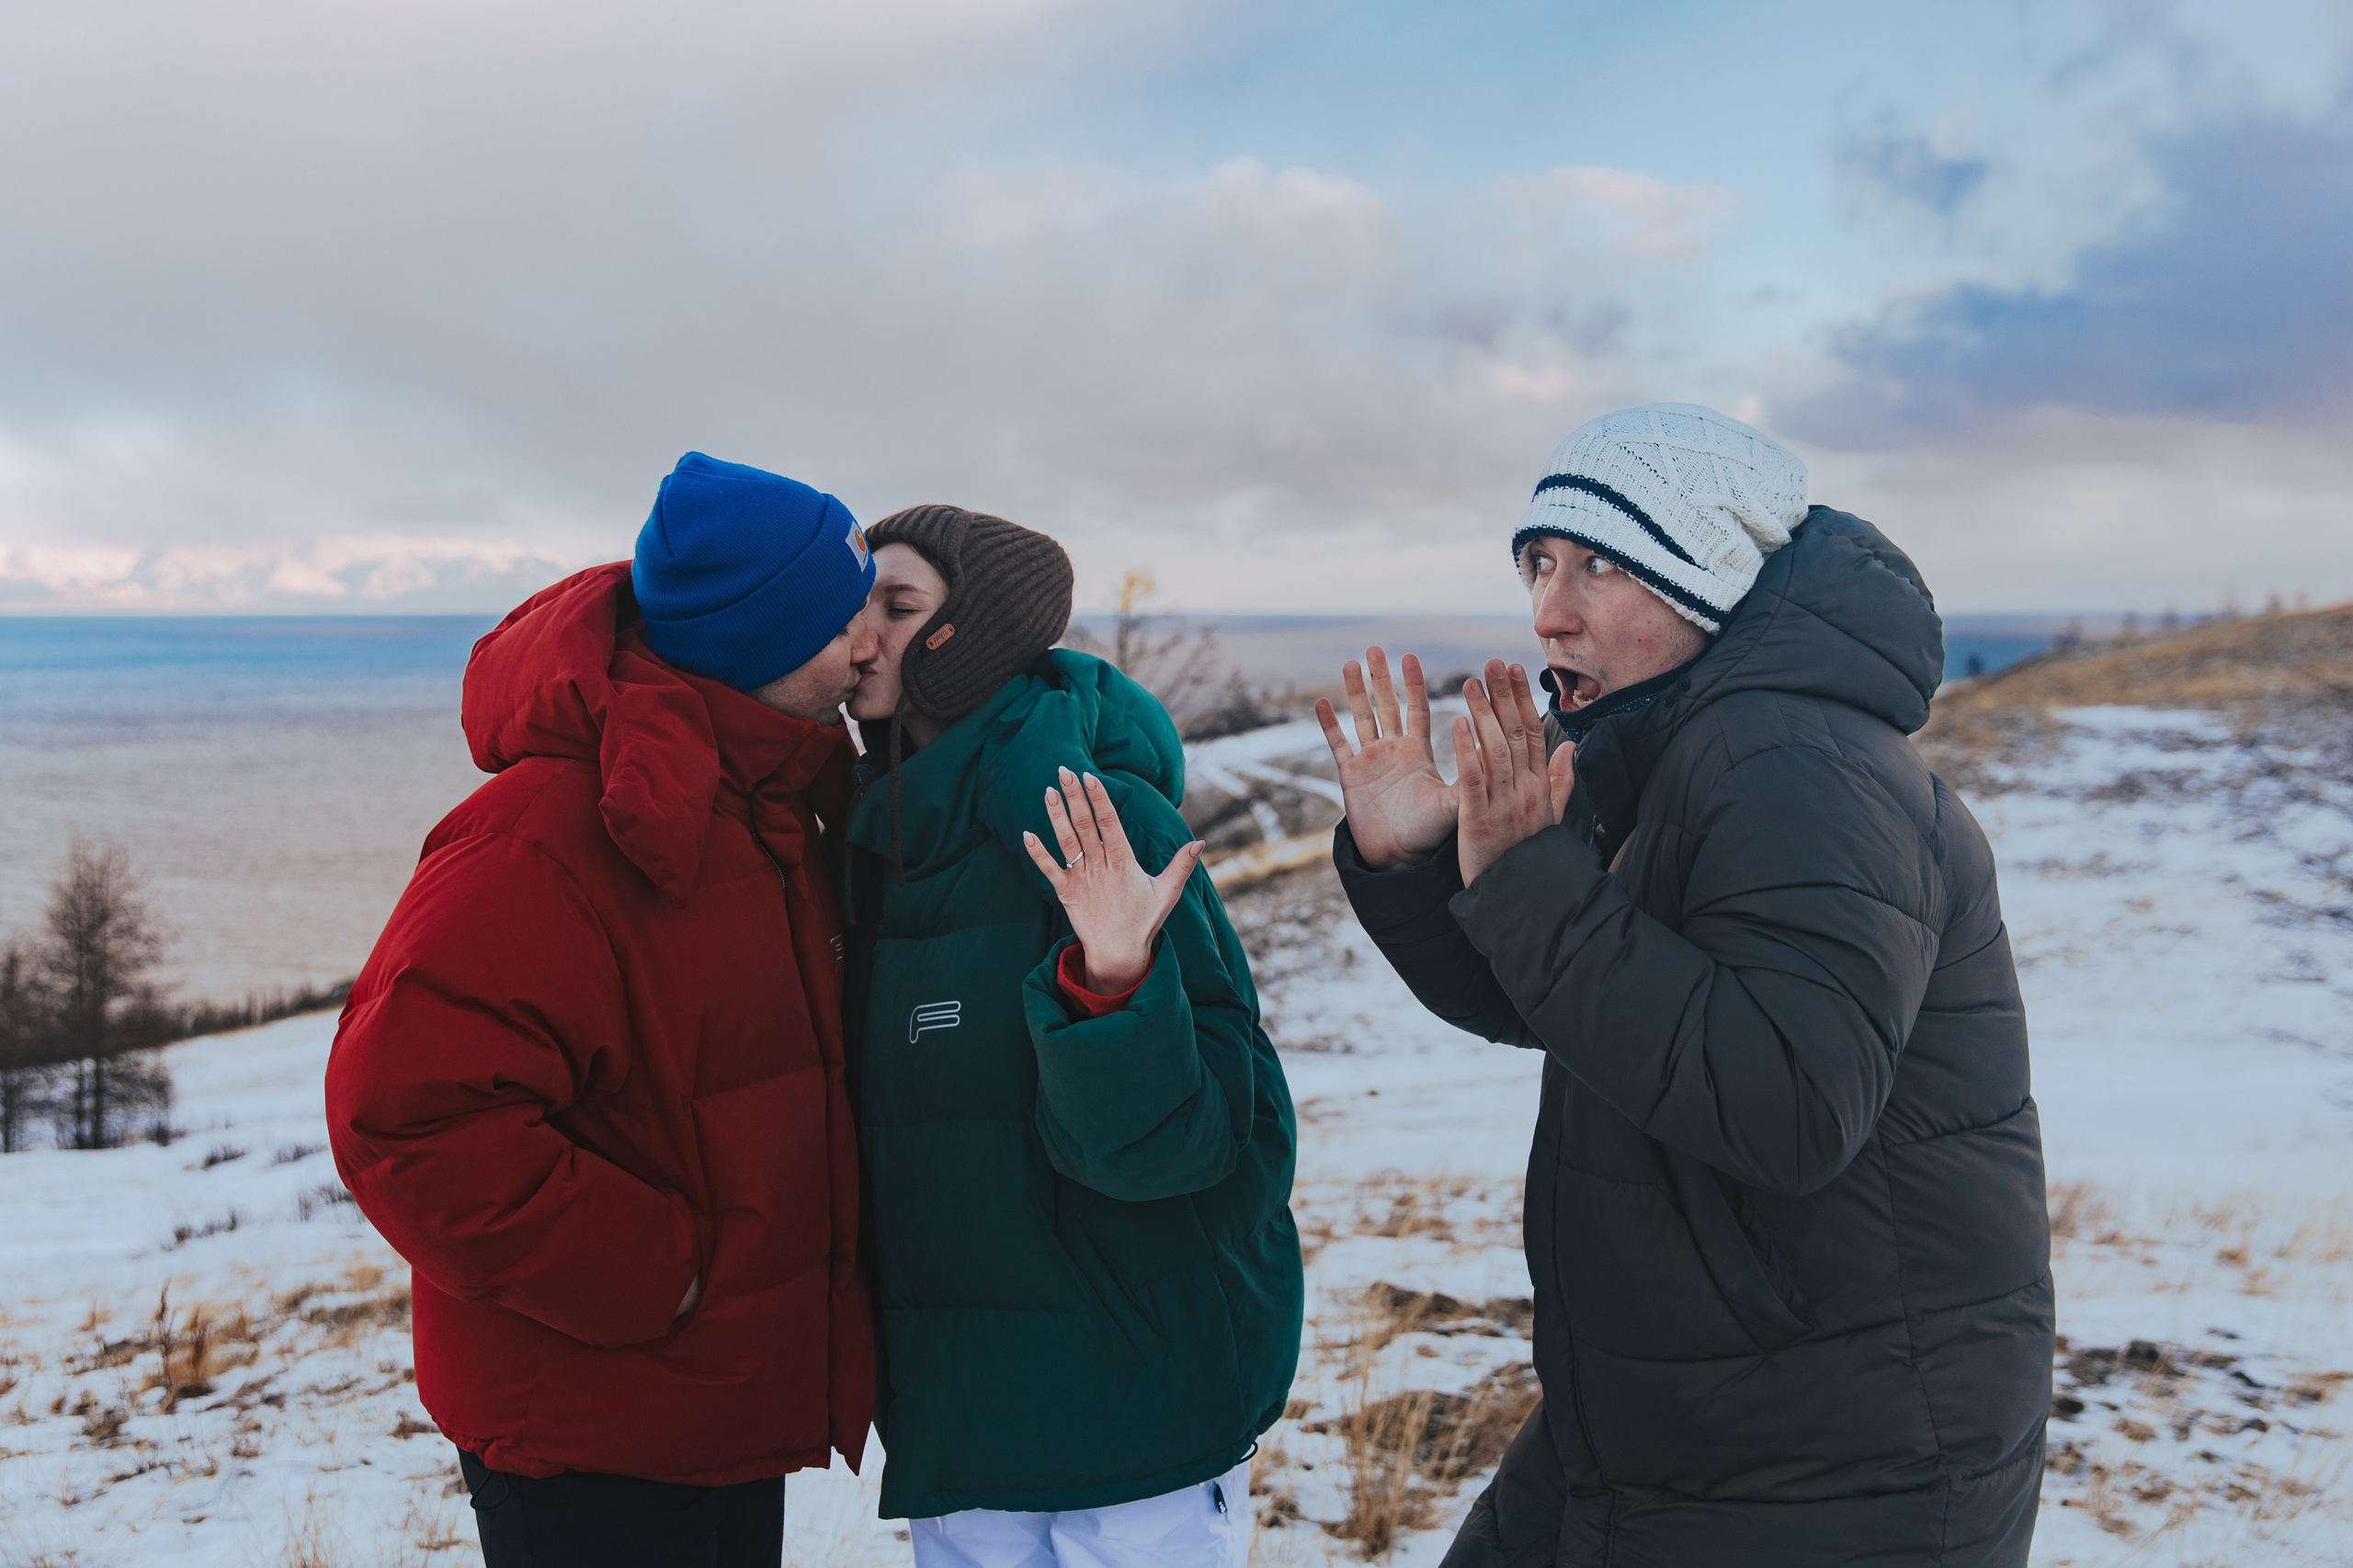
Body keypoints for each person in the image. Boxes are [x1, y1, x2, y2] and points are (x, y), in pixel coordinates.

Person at [1318, 404, 2052, 1566]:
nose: (1550, 608)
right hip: (1689, 1414)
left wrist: (1534, 875)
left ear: (1709, 577)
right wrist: (1422, 864)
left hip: (1831, 1460)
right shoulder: (1680, 749)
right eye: (1539, 563)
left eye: (1602, 564)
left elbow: (1788, 1102)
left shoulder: (1790, 763)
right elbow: (1570, 998)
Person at [324, 452, 881, 1567]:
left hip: (716, 1404)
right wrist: (662, 1272)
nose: (872, 639)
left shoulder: (766, 804)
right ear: (757, 644)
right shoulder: (542, 837)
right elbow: (406, 1117)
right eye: (843, 617)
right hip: (597, 1427)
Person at [838, 504, 1302, 1568]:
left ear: (975, 634)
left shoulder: (1106, 823)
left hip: (1135, 1407)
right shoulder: (871, 838)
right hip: (963, 1417)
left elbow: (1189, 1148)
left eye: (898, 607)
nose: (863, 637)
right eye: (854, 607)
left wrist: (1116, 982)